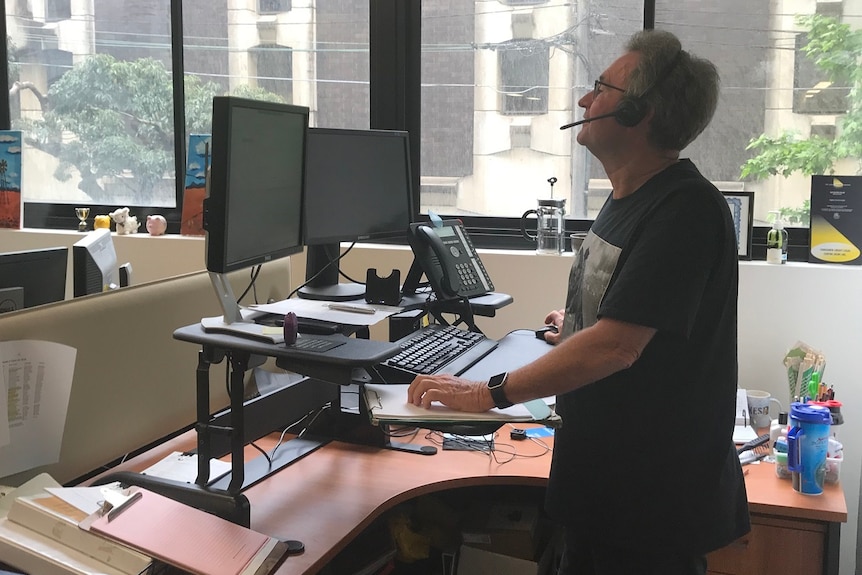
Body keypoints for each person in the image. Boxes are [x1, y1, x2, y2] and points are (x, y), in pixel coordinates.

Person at [408, 29, 750, 575]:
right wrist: (575, 325)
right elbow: (625, 319)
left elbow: (616, 348)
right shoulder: (628, 198)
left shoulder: (685, 209)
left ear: (640, 110)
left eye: (600, 87)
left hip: (648, 507)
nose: (584, 100)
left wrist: (487, 394)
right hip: (602, 484)